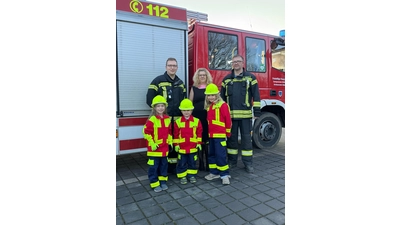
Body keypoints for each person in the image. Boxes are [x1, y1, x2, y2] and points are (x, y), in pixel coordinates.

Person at [220, 54, 261, 173]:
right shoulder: (226, 80)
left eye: (238, 61)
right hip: (231, 116)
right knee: (232, 140)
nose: (236, 63)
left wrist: (257, 111)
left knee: (247, 140)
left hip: (245, 116)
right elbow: (222, 98)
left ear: (243, 63)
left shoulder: (250, 78)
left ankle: (248, 163)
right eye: (234, 62)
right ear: (232, 64)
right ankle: (232, 162)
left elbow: (256, 96)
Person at [146, 57, 186, 174]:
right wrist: (159, 115)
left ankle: (172, 168)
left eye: (174, 65)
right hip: (163, 121)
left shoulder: (180, 83)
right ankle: (161, 168)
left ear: (177, 67)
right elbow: (150, 99)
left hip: (177, 120)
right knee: (162, 143)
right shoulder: (158, 81)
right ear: (166, 67)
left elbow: (183, 101)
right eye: (170, 65)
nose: (172, 68)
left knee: (174, 142)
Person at [203, 83, 232, 185]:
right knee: (211, 155)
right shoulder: (209, 107)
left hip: (220, 136)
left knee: (221, 155)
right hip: (212, 136)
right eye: (209, 95)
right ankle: (214, 173)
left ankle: (224, 175)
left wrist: (227, 133)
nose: (211, 97)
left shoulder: (223, 105)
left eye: (213, 95)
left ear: (217, 95)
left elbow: (228, 120)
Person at [142, 95, 173, 193]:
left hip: (164, 149)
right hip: (154, 150)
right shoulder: (152, 120)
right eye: (158, 106)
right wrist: (152, 143)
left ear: (165, 107)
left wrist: (170, 143)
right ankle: (154, 183)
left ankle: (163, 181)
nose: (160, 108)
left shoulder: (168, 119)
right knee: (154, 167)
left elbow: (169, 132)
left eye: (162, 106)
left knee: (164, 166)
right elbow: (146, 133)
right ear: (154, 108)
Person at [173, 99, 203, 185]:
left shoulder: (197, 121)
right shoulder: (178, 122)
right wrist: (176, 144)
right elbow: (175, 134)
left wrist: (199, 143)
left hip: (192, 147)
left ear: (192, 110)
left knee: (192, 162)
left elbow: (199, 133)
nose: (186, 112)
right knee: (181, 163)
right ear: (181, 110)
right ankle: (182, 176)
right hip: (182, 147)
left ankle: (191, 175)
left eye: (188, 110)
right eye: (184, 110)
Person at [189, 68, 213, 171]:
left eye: (204, 75)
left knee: (207, 140)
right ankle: (201, 163)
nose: (202, 76)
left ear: (207, 76)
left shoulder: (211, 87)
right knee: (199, 140)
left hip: (207, 117)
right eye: (200, 75)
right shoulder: (193, 88)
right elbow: (190, 103)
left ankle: (208, 162)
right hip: (196, 117)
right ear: (197, 77)